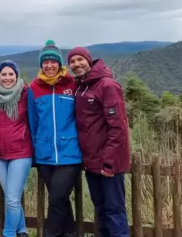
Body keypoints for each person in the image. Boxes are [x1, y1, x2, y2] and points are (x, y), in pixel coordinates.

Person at [67, 46, 130, 237]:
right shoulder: (81, 87)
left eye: (80, 60)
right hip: (92, 163)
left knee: (114, 211)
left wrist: (109, 163)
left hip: (109, 164)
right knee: (101, 210)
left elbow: (118, 127)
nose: (76, 64)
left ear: (89, 60)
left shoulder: (107, 86)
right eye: (72, 61)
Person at [28, 40, 82, 237]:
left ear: (60, 64)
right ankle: (70, 233)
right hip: (44, 154)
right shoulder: (34, 87)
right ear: (41, 65)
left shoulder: (72, 84)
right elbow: (33, 121)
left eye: (53, 61)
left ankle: (50, 233)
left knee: (58, 196)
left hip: (70, 153)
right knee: (59, 199)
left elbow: (81, 117)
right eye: (45, 62)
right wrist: (35, 147)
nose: (49, 65)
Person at [0, 60, 33, 237]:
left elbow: (34, 119)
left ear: (16, 75)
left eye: (10, 74)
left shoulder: (26, 93)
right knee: (10, 196)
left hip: (20, 152)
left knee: (13, 199)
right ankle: (21, 230)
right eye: (3, 74)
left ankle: (8, 233)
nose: (7, 78)